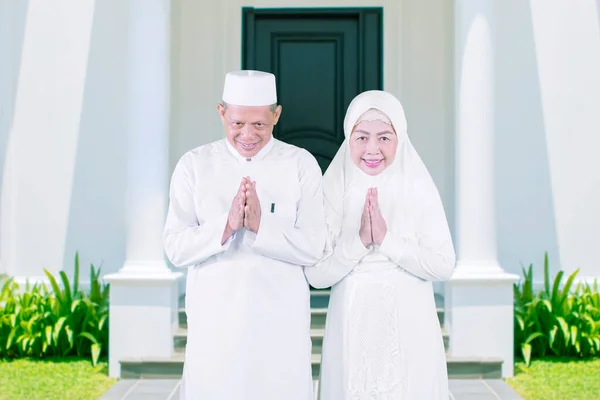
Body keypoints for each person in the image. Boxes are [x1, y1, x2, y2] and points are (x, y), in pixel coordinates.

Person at [163, 70, 327, 400]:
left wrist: (261, 227)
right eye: (237, 123)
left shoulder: (300, 164)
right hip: (215, 321)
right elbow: (175, 248)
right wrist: (225, 226)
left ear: (276, 115)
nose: (247, 134)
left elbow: (314, 247)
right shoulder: (194, 165)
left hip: (281, 322)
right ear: (221, 112)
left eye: (259, 125)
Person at [304, 90, 456, 399]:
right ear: (348, 138)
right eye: (361, 137)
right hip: (350, 321)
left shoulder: (418, 187)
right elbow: (316, 275)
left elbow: (443, 264)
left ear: (400, 138)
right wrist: (359, 242)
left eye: (384, 138)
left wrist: (387, 240)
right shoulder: (333, 189)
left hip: (410, 321)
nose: (372, 149)